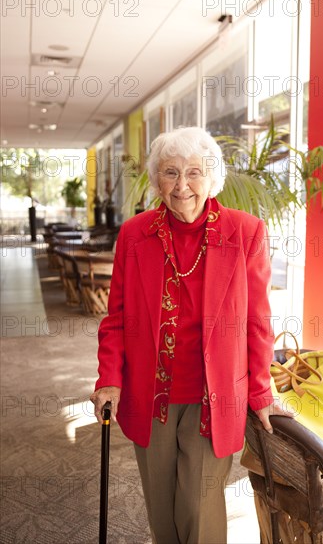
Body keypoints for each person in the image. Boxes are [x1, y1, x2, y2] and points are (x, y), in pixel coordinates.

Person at [90, 126, 293, 544]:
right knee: (161, 510)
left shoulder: (245, 232)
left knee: (198, 510)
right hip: (150, 396)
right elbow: (116, 318)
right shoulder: (134, 235)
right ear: (156, 179)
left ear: (211, 177)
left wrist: (261, 392)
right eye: (170, 173)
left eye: (194, 173)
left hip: (213, 398)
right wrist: (109, 379)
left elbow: (257, 321)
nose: (182, 186)